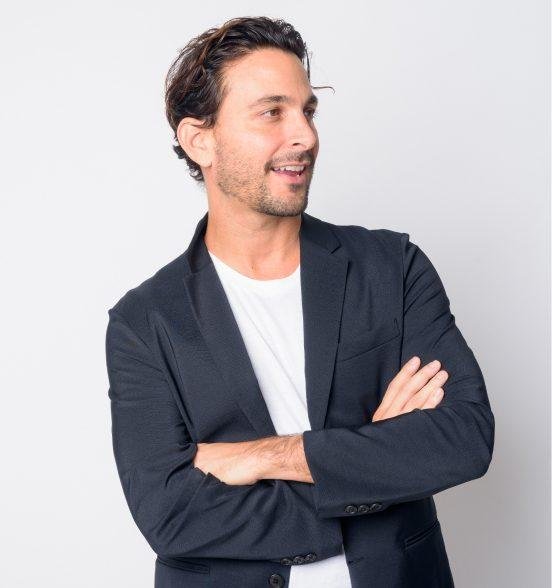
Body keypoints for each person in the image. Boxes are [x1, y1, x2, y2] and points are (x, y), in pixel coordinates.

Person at [105, 16, 494, 588]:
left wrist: (265, 457)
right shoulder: (145, 321)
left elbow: (464, 439)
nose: (305, 136)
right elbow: (171, 515)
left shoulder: (391, 267)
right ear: (200, 140)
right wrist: (370, 459)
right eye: (272, 112)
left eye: (307, 111)